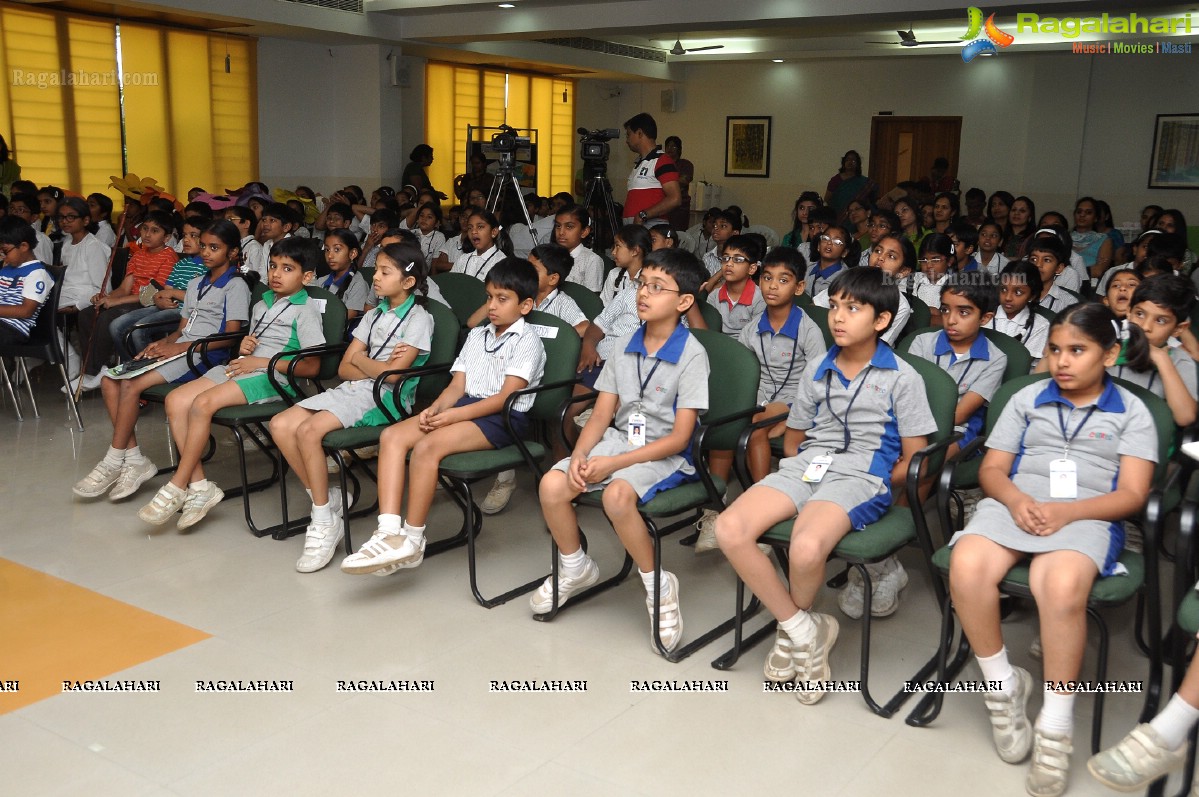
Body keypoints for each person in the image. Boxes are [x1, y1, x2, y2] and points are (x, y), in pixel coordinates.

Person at [947, 302, 1157, 797]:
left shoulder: (1133, 411)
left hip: (1088, 509)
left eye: (1078, 351)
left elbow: (1132, 494)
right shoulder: (1026, 398)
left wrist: (1067, 514)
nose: (1062, 361)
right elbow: (993, 469)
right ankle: (1002, 687)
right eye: (1055, 350)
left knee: (1057, 584)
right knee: (967, 563)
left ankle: (1056, 727)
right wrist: (1018, 500)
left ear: (1109, 354)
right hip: (1020, 499)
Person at [714, 268, 937, 701]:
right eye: (834, 305)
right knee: (730, 528)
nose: (838, 316)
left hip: (861, 473)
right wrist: (801, 478)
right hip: (810, 464)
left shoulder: (903, 377)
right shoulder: (819, 366)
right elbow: (796, 437)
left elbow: (916, 458)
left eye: (853, 308)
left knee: (806, 545)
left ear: (881, 320)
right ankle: (802, 629)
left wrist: (874, 479)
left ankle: (790, 629)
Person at [530, 248, 709, 654]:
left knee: (616, 494)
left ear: (683, 302)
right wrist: (580, 455)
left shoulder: (693, 354)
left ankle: (657, 584)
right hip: (620, 440)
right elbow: (601, 413)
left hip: (667, 454)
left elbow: (680, 438)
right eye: (642, 283)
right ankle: (576, 567)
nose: (643, 293)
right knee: (553, 485)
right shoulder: (627, 342)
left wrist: (613, 463)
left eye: (657, 288)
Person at [338, 257, 546, 576]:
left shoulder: (528, 341)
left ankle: (413, 539)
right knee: (392, 436)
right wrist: (438, 408)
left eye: (502, 299)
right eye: (489, 297)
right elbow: (456, 385)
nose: (492, 305)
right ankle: (389, 531)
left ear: (526, 304)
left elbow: (504, 398)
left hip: (502, 419)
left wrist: (451, 417)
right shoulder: (477, 335)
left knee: (426, 447)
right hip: (463, 407)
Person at [137, 237, 325, 531]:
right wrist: (247, 348)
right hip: (244, 368)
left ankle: (177, 484)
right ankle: (200, 486)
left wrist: (261, 362)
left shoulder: (306, 309)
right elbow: (252, 349)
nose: (276, 274)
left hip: (275, 377)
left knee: (202, 404)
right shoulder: (263, 304)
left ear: (308, 276)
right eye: (273, 266)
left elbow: (313, 366)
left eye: (287, 269)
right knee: (176, 400)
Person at [270, 241, 434, 573]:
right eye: (377, 270)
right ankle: (327, 501)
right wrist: (368, 363)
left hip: (385, 400)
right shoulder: (374, 314)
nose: (376, 277)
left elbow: (391, 378)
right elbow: (345, 368)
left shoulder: (420, 318)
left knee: (309, 430)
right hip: (354, 388)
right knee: (280, 424)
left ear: (408, 281)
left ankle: (322, 520)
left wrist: (363, 359)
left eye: (385, 272)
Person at [71, 220, 250, 502]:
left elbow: (232, 337)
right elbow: (182, 327)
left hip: (206, 356)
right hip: (183, 347)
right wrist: (164, 343)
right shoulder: (195, 283)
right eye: (203, 246)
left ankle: (114, 458)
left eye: (214, 248)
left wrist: (180, 348)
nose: (206, 252)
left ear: (232, 253)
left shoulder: (236, 285)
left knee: (130, 386)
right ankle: (133, 458)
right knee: (109, 381)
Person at [476, 244, 590, 516]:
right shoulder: (516, 298)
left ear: (553, 279)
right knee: (497, 403)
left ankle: (561, 477)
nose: (525, 271)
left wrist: (567, 344)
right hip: (515, 373)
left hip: (550, 375)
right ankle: (505, 479)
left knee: (558, 417)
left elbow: (585, 329)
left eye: (533, 268)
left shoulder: (563, 303)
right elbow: (474, 324)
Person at [73, 210, 179, 392]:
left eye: (155, 231)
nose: (147, 234)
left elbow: (153, 294)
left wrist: (116, 303)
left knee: (108, 319)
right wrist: (107, 297)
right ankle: (91, 370)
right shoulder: (138, 255)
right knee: (87, 314)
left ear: (167, 237)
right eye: (145, 228)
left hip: (149, 302)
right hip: (130, 299)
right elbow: (124, 288)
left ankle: (98, 371)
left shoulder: (168, 257)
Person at [110, 216, 208, 362]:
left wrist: (172, 293)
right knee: (116, 325)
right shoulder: (182, 264)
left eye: (193, 236)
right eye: (185, 235)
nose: (186, 240)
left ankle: (147, 368)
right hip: (165, 307)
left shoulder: (208, 266)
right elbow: (164, 291)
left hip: (183, 312)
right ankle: (130, 364)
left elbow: (201, 298)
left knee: (138, 331)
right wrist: (159, 299)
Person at [1110, 274, 1197, 427]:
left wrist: (1162, 360)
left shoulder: (1179, 360)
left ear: (1178, 329)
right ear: (1129, 312)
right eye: (1140, 314)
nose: (1145, 327)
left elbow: (1185, 417)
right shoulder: (1108, 347)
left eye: (1160, 320)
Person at [0, 217, 54, 344]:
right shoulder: (5, 269)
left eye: (5, 251)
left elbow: (26, 311)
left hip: (12, 328)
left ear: (24, 246)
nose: (3, 256)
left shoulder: (37, 274)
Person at [621, 113, 680, 225]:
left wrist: (643, 214)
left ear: (639, 133)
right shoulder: (640, 162)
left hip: (651, 228)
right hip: (633, 231)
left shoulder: (662, 160)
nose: (627, 140)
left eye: (628, 135)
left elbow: (675, 198)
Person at [706, 234, 766, 338]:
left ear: (752, 268)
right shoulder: (714, 296)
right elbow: (710, 333)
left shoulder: (760, 299)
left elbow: (756, 338)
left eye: (738, 260)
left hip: (746, 349)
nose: (729, 263)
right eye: (725, 258)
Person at [991, 260, 1049, 365]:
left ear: (1032, 295)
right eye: (1003, 289)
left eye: (1018, 292)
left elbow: (1021, 366)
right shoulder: (985, 317)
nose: (1008, 298)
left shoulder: (1040, 326)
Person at [320, 229, 369, 321]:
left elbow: (343, 319)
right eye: (327, 249)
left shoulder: (358, 284)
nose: (330, 255)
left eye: (337, 249)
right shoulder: (321, 281)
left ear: (352, 253)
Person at [553, 204, 604, 292]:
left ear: (584, 231)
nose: (561, 232)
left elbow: (590, 300)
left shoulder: (591, 260)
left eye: (569, 227)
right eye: (558, 226)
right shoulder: (550, 256)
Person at [451, 208, 511, 281]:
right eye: (470, 228)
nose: (473, 231)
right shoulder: (463, 259)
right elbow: (452, 284)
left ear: (494, 232)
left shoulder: (502, 263)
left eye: (480, 227)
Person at [602, 225, 650, 306]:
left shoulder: (650, 278)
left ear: (635, 251)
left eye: (618, 246)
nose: (613, 252)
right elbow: (604, 307)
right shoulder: (614, 274)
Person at [824, 150, 877, 220]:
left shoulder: (865, 183)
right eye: (847, 160)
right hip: (839, 216)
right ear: (844, 163)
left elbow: (871, 201)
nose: (850, 162)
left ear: (858, 164)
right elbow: (827, 199)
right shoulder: (836, 180)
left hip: (858, 218)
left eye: (853, 160)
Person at [663, 136, 693, 230]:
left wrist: (665, 181)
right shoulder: (662, 164)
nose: (670, 149)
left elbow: (683, 181)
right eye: (668, 146)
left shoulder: (686, 164)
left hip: (680, 208)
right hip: (663, 206)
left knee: (678, 235)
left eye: (673, 146)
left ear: (679, 149)